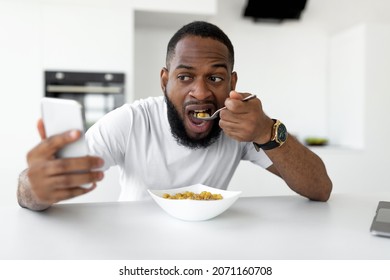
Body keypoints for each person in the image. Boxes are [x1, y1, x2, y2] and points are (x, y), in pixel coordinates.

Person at [17, 21, 332, 211]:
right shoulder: (130, 122)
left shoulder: (240, 128)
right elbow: (34, 191)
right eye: (185, 77)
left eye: (216, 78)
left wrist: (267, 131)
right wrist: (34, 187)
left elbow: (320, 189)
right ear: (165, 81)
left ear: (232, 84)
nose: (201, 92)